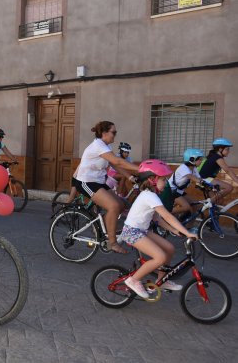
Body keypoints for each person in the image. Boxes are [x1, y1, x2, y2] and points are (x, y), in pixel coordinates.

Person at [118, 159, 198, 298]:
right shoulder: (149, 195)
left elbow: (157, 219)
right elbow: (167, 215)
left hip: (142, 230)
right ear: (152, 179)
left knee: (169, 248)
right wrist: (187, 232)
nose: (166, 182)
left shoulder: (152, 195)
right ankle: (133, 280)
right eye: (163, 179)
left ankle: (161, 280)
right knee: (160, 257)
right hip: (132, 232)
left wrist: (174, 230)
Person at [73, 121, 139, 254]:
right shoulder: (98, 145)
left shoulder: (105, 146)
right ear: (104, 133)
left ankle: (99, 227)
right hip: (86, 182)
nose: (115, 135)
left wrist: (130, 177)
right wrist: (142, 168)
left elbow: (115, 165)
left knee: (121, 205)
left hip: (98, 182)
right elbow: (118, 161)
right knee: (113, 206)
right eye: (113, 132)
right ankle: (112, 243)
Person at [199, 138, 238, 203]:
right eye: (227, 149)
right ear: (220, 149)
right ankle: (207, 203)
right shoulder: (217, 157)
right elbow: (228, 171)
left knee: (218, 201)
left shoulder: (215, 156)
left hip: (204, 179)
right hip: (205, 179)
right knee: (229, 187)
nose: (228, 151)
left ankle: (209, 207)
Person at [169, 148, 204, 218]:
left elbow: (199, 178)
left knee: (196, 205)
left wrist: (211, 185)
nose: (201, 161)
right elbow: (191, 177)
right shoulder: (183, 168)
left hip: (179, 191)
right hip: (171, 190)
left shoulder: (194, 168)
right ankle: (165, 212)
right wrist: (200, 182)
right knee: (186, 207)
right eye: (199, 159)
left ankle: (189, 227)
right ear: (192, 159)